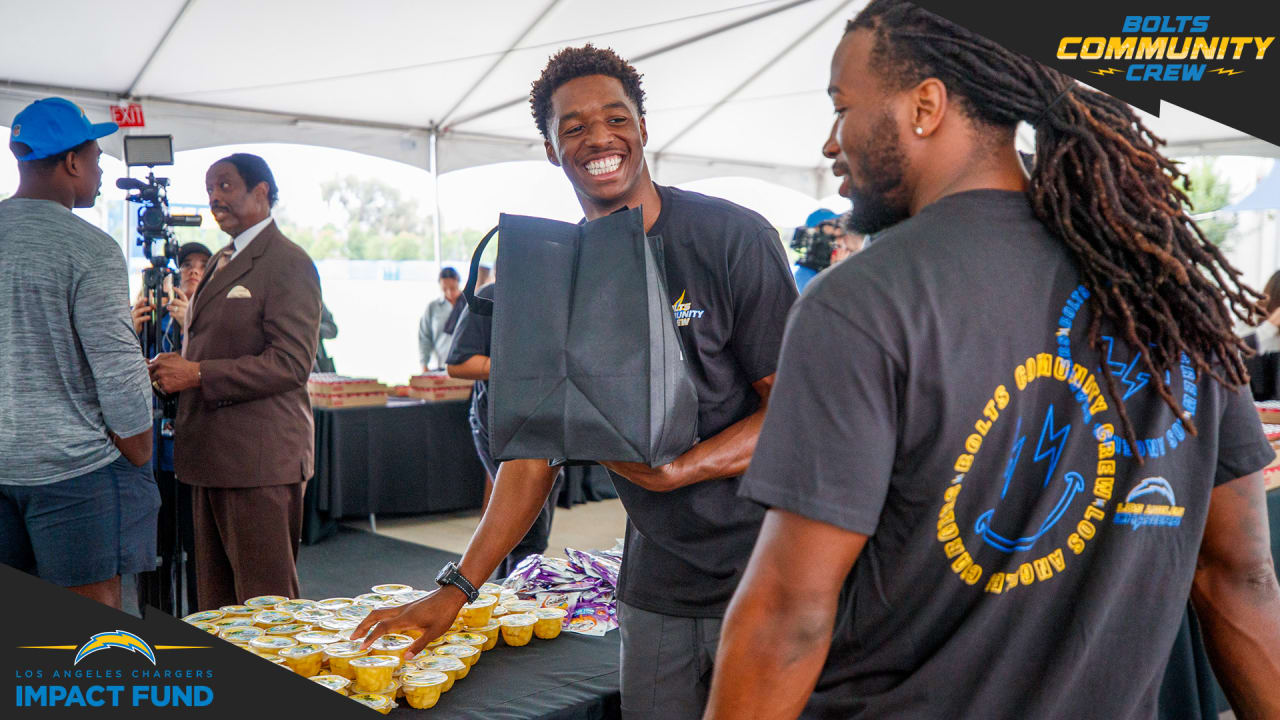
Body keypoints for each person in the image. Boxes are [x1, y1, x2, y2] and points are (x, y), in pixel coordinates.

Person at [706, 3, 1280, 719]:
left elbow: (789, 616)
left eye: (841, 109)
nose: (830, 144)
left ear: (926, 106)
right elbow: (1240, 576)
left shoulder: (859, 304)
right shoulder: (1172, 292)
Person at [357, 45, 797, 719]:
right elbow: (534, 453)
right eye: (573, 126)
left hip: (769, 565)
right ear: (550, 148)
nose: (598, 137)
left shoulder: (729, 237)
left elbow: (795, 411)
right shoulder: (556, 275)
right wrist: (456, 587)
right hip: (658, 581)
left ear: (644, 128)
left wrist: (684, 469)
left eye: (616, 117)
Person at [0, 97, 157, 610]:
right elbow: (118, 369)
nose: (101, 168)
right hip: (76, 477)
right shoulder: (88, 248)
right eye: (96, 156)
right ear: (71, 162)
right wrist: (137, 446)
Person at [148, 153, 322, 609]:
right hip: (209, 458)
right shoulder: (224, 257)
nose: (214, 199)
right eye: (209, 190)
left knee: (267, 608)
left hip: (259, 463)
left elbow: (290, 363)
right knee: (217, 607)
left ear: (261, 192)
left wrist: (197, 373)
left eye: (225, 186)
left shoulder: (288, 262)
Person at [445, 281, 564, 577]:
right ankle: (515, 610)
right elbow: (458, 364)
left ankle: (506, 602)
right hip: (499, 422)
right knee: (528, 533)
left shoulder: (562, 293)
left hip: (547, 421)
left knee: (532, 530)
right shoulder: (493, 295)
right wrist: (521, 366)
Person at [131, 241, 212, 351]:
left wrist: (189, 330)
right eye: (186, 265)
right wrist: (131, 335)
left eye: (204, 266)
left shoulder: (214, 318)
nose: (194, 271)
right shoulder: (155, 314)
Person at [419, 267, 462, 371]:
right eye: (445, 289)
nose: (449, 293)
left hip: (464, 367)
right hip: (440, 365)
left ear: (458, 283)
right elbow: (425, 337)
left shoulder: (468, 305)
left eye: (453, 288)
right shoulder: (433, 308)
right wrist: (424, 364)